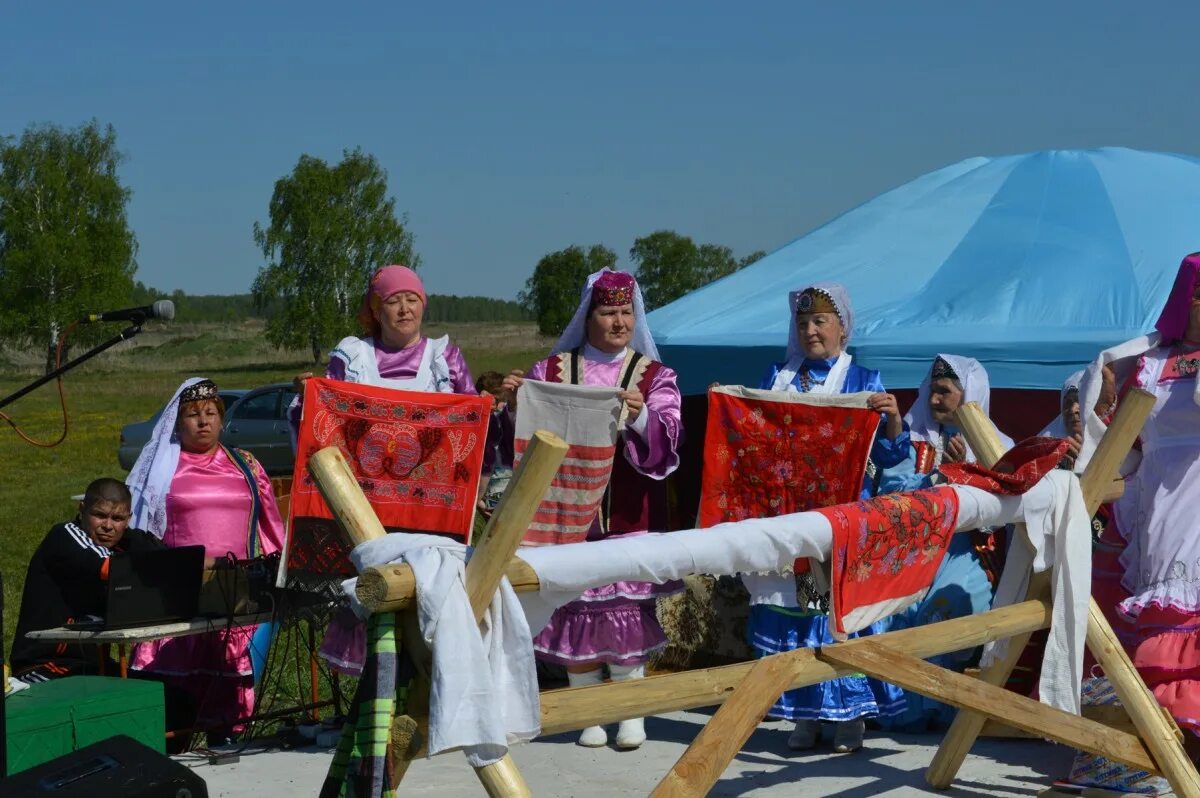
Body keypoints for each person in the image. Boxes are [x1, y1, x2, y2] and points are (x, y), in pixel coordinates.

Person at [501, 269, 682, 750]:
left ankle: (629, 713)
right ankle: (587, 714)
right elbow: (524, 437)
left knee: (622, 611)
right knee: (575, 611)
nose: (619, 321)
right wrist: (517, 405)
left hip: (625, 514)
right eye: (608, 311)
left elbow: (670, 436)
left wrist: (641, 414)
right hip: (568, 515)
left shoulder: (654, 376)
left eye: (626, 312)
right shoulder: (552, 372)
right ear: (589, 316)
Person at [293, 265, 479, 677]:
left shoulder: (443, 358)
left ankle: (425, 690)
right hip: (365, 505)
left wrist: (492, 406)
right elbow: (325, 419)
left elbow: (471, 422)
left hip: (431, 511)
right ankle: (375, 703)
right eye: (394, 301)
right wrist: (306, 399)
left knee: (426, 589)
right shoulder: (353, 356)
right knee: (375, 593)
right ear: (377, 309)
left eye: (412, 299)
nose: (405, 309)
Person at [746, 283, 909, 753]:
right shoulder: (777, 376)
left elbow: (891, 451)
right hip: (794, 518)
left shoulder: (862, 381)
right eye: (803, 323)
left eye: (820, 322)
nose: (811, 330)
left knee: (837, 612)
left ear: (842, 327)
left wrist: (894, 419)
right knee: (804, 608)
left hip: (840, 519)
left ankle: (849, 718)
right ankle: (808, 714)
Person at [1077, 253, 1200, 752]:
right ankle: (1166, 729)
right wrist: (1100, 408)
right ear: (1188, 303)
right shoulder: (1148, 365)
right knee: (1172, 590)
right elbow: (1124, 442)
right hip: (1163, 494)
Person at [125, 378, 286, 742]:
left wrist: (281, 572)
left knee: (228, 689)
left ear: (222, 419)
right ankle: (173, 751)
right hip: (179, 593)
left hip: (236, 592)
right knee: (173, 692)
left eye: (211, 413)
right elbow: (141, 530)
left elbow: (271, 526)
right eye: (193, 415)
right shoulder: (163, 470)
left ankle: (225, 748)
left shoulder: (245, 464)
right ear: (177, 423)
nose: (203, 422)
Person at [875, 355, 1005, 731]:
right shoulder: (911, 441)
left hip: (970, 550)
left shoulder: (998, 445)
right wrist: (935, 479)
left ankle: (945, 709)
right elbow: (889, 492)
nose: (934, 401)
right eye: (932, 391)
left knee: (945, 610)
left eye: (944, 392)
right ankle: (903, 711)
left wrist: (967, 473)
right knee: (891, 612)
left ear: (970, 395)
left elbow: (1002, 504)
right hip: (916, 548)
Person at [10, 478, 164, 683]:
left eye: (117, 518)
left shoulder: (127, 540)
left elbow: (174, 563)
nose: (108, 526)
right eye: (99, 515)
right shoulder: (64, 536)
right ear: (82, 510)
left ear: (128, 519)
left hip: (92, 666)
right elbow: (110, 567)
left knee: (170, 696)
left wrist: (210, 563)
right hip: (45, 665)